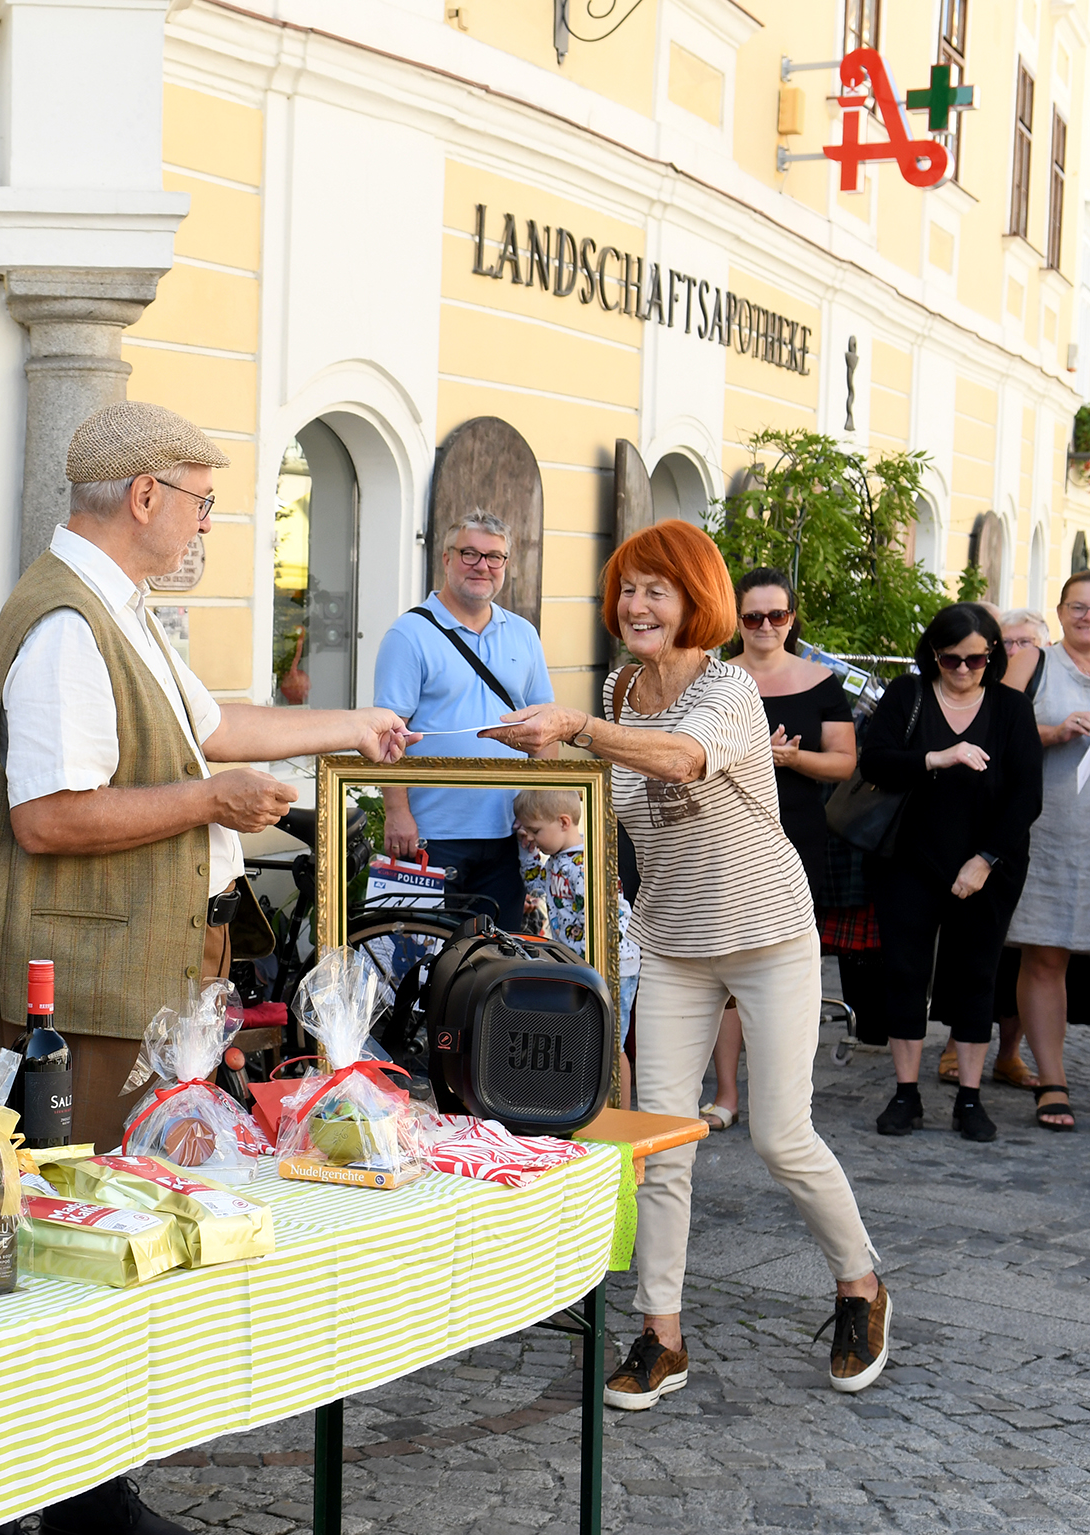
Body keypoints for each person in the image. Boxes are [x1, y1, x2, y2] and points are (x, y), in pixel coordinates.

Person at [0, 401, 412, 1535]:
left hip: (122, 968)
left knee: (112, 1220)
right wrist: (208, 802)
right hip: (82, 986)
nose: (207, 521)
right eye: (199, 499)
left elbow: (212, 727)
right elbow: (49, 815)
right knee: (81, 1233)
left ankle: (89, 1485)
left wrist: (352, 725)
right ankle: (75, 1499)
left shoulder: (115, 607)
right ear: (142, 495)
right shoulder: (67, 624)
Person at [487, 519, 884, 1409]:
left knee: (782, 1135)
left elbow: (682, 758)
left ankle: (860, 1283)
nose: (636, 605)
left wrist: (579, 727)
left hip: (768, 932)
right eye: (627, 588)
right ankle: (660, 1334)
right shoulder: (620, 690)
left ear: (695, 599)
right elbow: (609, 793)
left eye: (656, 590)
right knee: (661, 1140)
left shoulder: (730, 689)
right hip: (671, 940)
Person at [860, 604, 1042, 1142]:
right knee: (904, 973)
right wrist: (936, 758)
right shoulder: (908, 695)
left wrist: (984, 860)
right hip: (907, 860)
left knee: (977, 975)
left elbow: (1026, 796)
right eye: (950, 659)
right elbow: (875, 762)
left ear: (993, 655)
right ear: (933, 654)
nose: (962, 669)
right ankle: (906, 1093)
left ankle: (969, 1098)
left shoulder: (1010, 708)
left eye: (975, 659)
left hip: (988, 865)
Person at [698, 569, 858, 1131]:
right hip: (722, 836)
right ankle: (726, 1093)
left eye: (777, 615)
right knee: (725, 963)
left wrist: (791, 759)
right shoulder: (714, 678)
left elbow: (845, 763)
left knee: (786, 966)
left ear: (792, 619)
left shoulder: (821, 681)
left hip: (796, 836)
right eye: (753, 616)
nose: (765, 626)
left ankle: (784, 1101)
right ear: (736, 621)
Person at [373, 511, 558, 930]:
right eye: (469, 554)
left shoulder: (523, 634)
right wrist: (396, 812)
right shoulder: (409, 634)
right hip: (431, 834)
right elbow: (388, 733)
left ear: (505, 564)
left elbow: (546, 730)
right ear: (446, 558)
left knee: (502, 953)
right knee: (426, 954)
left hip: (510, 833)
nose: (482, 566)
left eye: (494, 557)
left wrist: (541, 808)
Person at [941, 606, 1050, 1093]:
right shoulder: (988, 692)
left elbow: (1026, 783)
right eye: (1008, 642)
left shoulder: (1017, 696)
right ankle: (956, 1044)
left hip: (1023, 840)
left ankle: (1009, 1054)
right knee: (974, 956)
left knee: (1025, 956)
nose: (1015, 651)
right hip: (974, 842)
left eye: (1026, 642)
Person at [1005, 573, 1090, 1130]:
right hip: (1050, 834)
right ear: (1059, 612)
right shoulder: (1035, 662)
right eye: (1078, 606)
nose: (1087, 616)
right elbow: (995, 729)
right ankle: (1052, 1079)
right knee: (1046, 955)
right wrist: (1055, 732)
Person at [514, 787, 638, 1106]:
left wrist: (601, 960)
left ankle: (621, 1114)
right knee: (588, 1038)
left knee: (611, 1044)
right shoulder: (558, 860)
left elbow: (612, 916)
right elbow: (535, 886)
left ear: (564, 822)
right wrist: (526, 849)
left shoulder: (586, 864)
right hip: (581, 966)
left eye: (536, 831)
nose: (533, 838)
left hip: (610, 965)